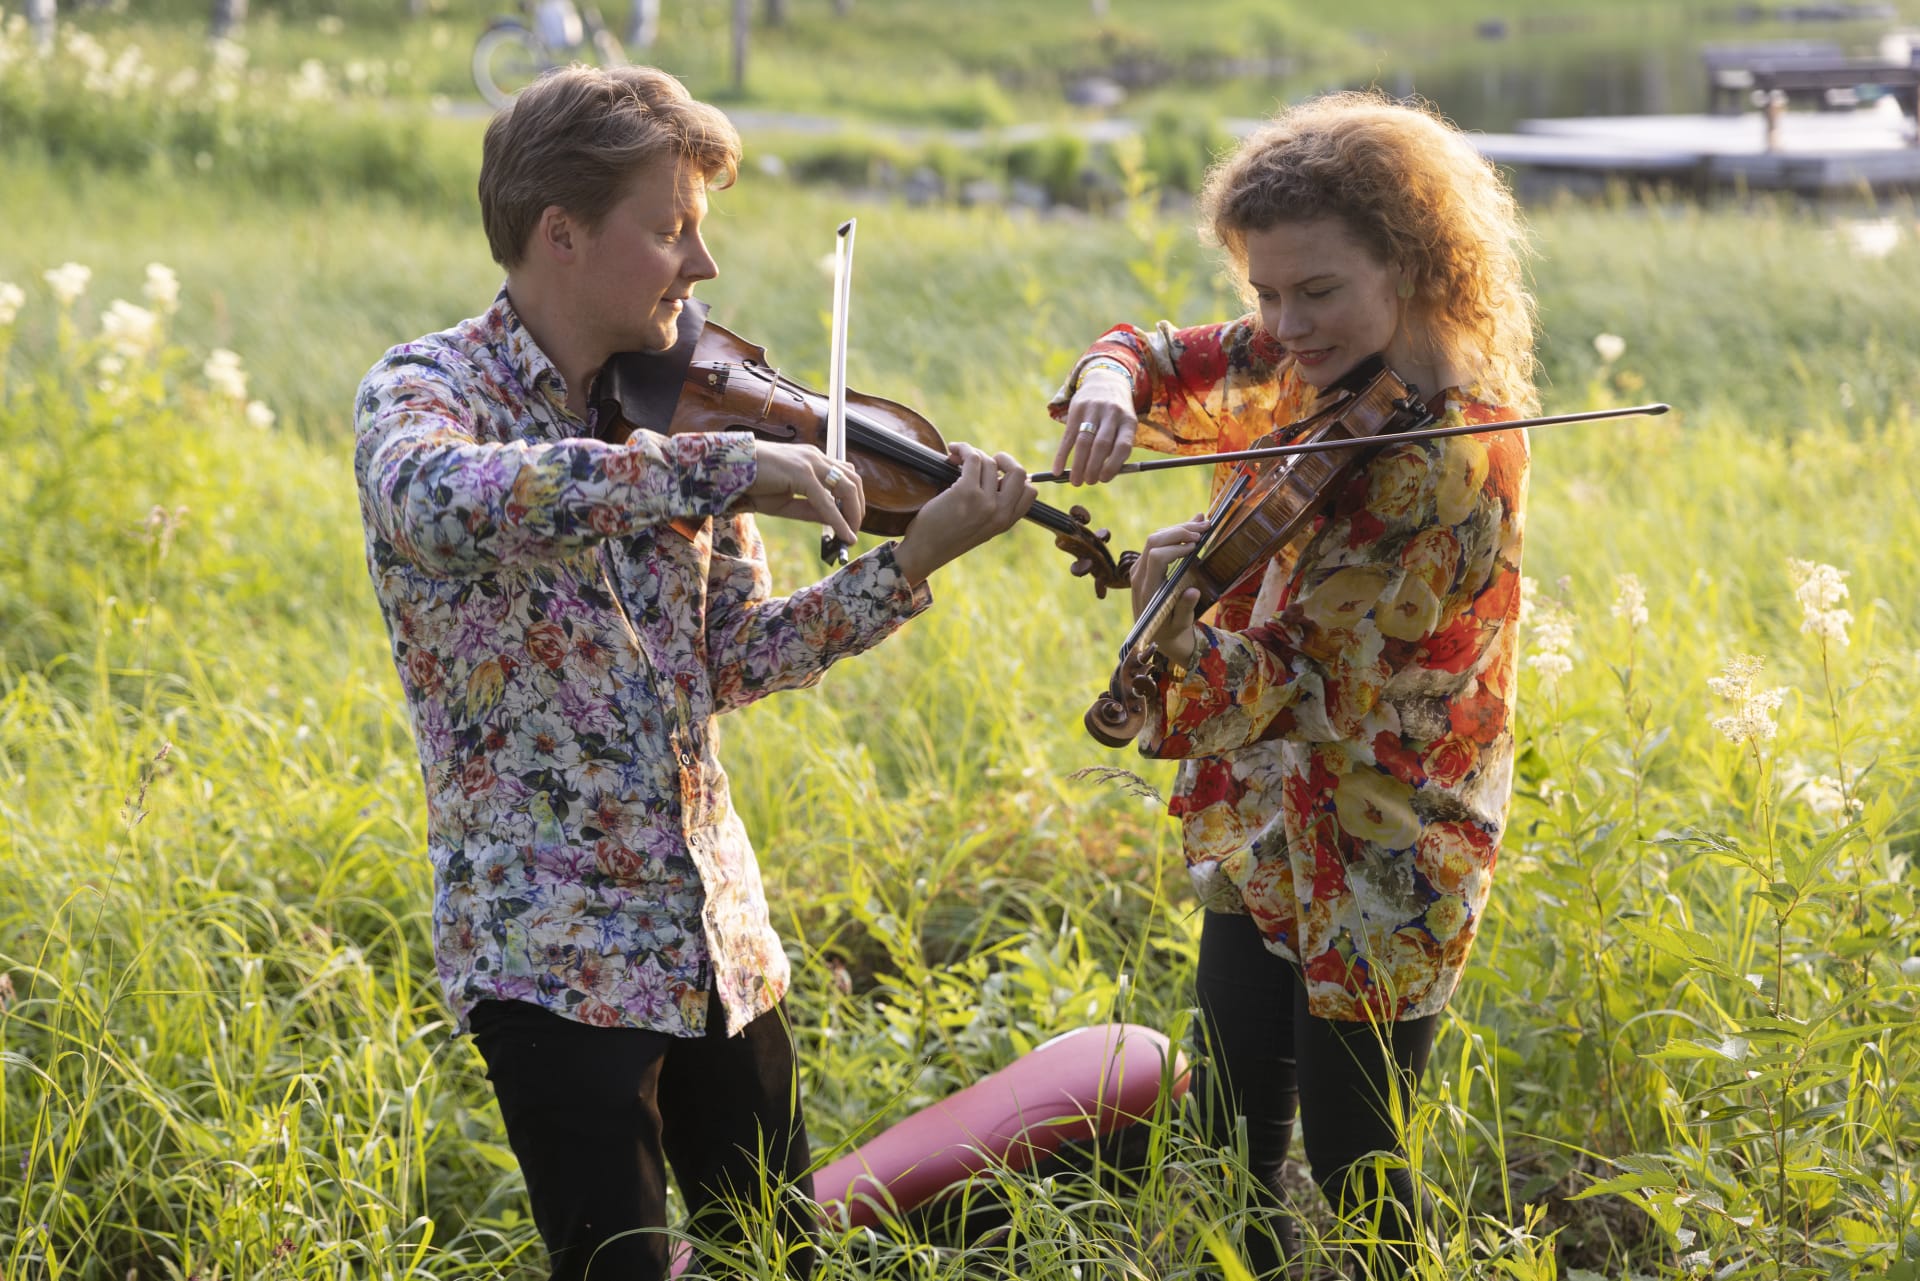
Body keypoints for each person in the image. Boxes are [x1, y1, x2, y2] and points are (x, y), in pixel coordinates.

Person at [353, 65, 1035, 1281]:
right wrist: (704, 469)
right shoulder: (426, 391)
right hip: (548, 945)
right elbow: (436, 507)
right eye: (671, 230)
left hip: (712, 932)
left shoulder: (676, 414)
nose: (701, 268)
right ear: (560, 235)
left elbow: (733, 659)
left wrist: (910, 561)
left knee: (779, 1256)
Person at [1048, 91, 1535, 1276]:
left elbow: (1313, 683)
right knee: (1227, 1139)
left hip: (1388, 835)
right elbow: (1160, 352)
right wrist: (1108, 381)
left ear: (1412, 265)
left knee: (1361, 1155)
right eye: (1265, 288)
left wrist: (1172, 623)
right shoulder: (1309, 352)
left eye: (1313, 291)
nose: (1280, 322)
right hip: (1273, 820)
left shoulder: (1442, 457)